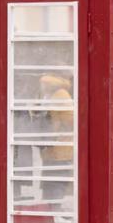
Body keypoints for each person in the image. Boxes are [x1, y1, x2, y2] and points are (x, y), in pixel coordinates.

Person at [37, 74, 73, 203]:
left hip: (61, 147)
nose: (41, 87)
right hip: (52, 147)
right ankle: (50, 208)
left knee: (57, 178)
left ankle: (55, 208)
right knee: (50, 179)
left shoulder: (60, 95)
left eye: (43, 84)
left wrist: (58, 133)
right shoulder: (50, 96)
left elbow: (70, 121)